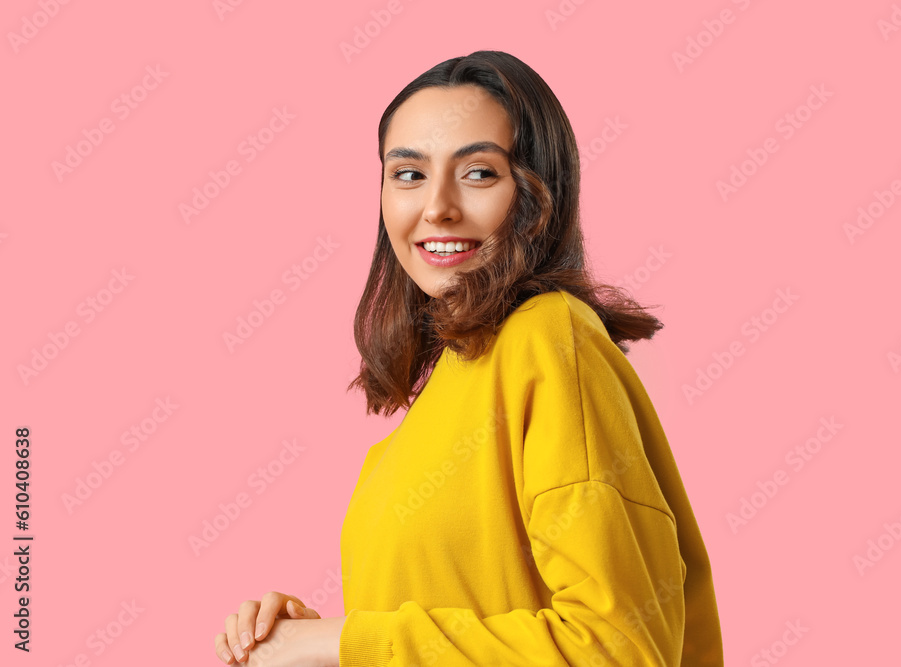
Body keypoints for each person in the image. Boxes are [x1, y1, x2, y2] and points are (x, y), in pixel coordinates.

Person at [213, 49, 724, 667]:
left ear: (540, 192)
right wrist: (304, 643)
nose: (437, 208)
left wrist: (344, 644)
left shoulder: (546, 338)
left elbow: (618, 650)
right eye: (408, 175)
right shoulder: (439, 397)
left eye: (479, 172)